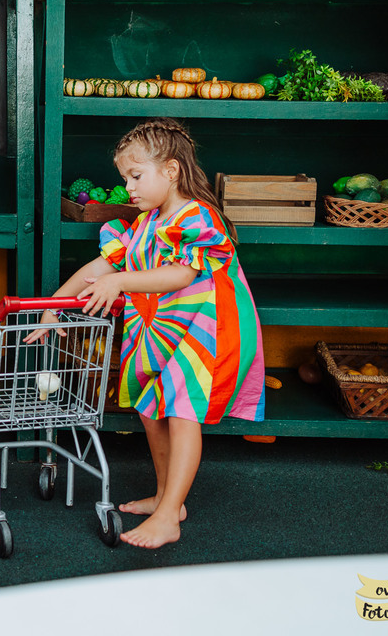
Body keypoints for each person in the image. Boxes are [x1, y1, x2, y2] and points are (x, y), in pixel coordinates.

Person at [28, 117, 265, 549]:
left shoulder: (198, 217)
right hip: (162, 328)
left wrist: (121, 283)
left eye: (136, 176)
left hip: (205, 329)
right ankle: (166, 499)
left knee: (181, 409)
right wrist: (53, 307)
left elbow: (181, 273)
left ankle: (170, 514)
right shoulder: (142, 224)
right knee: (151, 408)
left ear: (171, 171)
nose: (129, 188)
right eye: (125, 178)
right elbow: (101, 267)